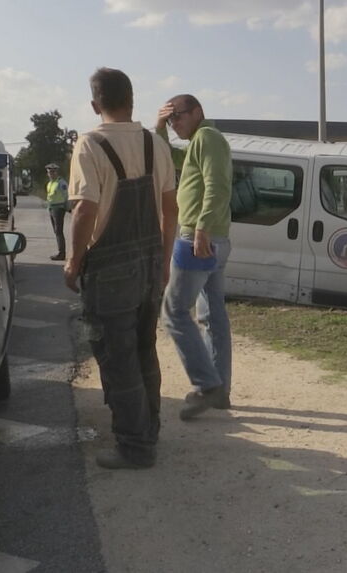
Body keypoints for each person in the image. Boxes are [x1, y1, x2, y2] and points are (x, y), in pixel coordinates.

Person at [64, 68, 178, 470]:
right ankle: (149, 430)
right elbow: (170, 208)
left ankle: (135, 447)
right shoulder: (154, 143)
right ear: (132, 100)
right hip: (149, 266)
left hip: (110, 270)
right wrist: (164, 262)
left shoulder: (89, 143)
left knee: (119, 357)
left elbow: (85, 210)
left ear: (96, 105)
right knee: (145, 351)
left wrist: (74, 260)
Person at [156, 95, 234, 420]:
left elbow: (217, 184)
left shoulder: (208, 138)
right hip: (209, 237)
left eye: (178, 117)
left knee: (173, 311)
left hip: (198, 238)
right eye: (170, 120)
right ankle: (219, 390)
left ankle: (206, 385)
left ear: (198, 112)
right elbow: (167, 157)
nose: (175, 124)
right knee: (212, 313)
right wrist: (158, 128)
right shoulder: (197, 142)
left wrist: (201, 227)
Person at [45, 163, 69, 260]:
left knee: (59, 231)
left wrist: (68, 207)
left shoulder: (61, 182)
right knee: (56, 231)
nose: (51, 174)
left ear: (57, 172)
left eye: (53, 172)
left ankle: (61, 253)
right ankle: (60, 251)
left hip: (59, 208)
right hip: (51, 208)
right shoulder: (50, 183)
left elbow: (67, 195)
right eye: (50, 172)